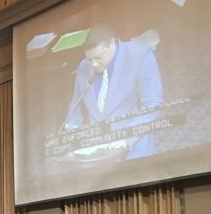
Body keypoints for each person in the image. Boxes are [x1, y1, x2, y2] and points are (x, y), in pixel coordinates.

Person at [63, 24, 163, 159]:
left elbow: (153, 106)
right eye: (89, 59)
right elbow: (75, 106)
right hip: (97, 155)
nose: (93, 65)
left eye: (98, 58)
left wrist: (125, 137)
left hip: (134, 151)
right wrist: (71, 133)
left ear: (111, 43)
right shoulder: (84, 66)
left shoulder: (140, 56)